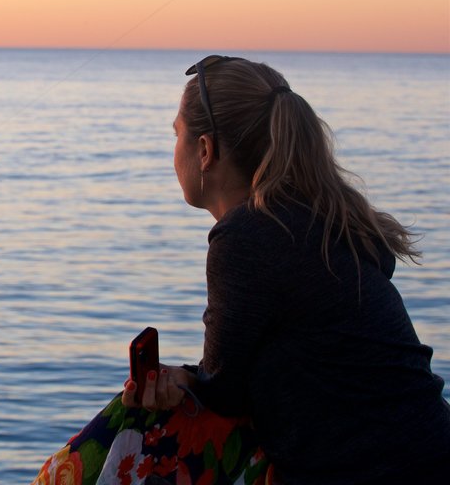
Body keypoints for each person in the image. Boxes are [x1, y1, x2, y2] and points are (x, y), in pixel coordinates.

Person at [32, 56, 449, 484]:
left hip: (374, 471)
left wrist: (184, 382)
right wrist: (191, 379)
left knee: (124, 430)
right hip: (429, 449)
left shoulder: (247, 236)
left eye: (177, 134)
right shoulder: (321, 217)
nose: (173, 148)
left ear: (205, 150)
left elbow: (224, 393)